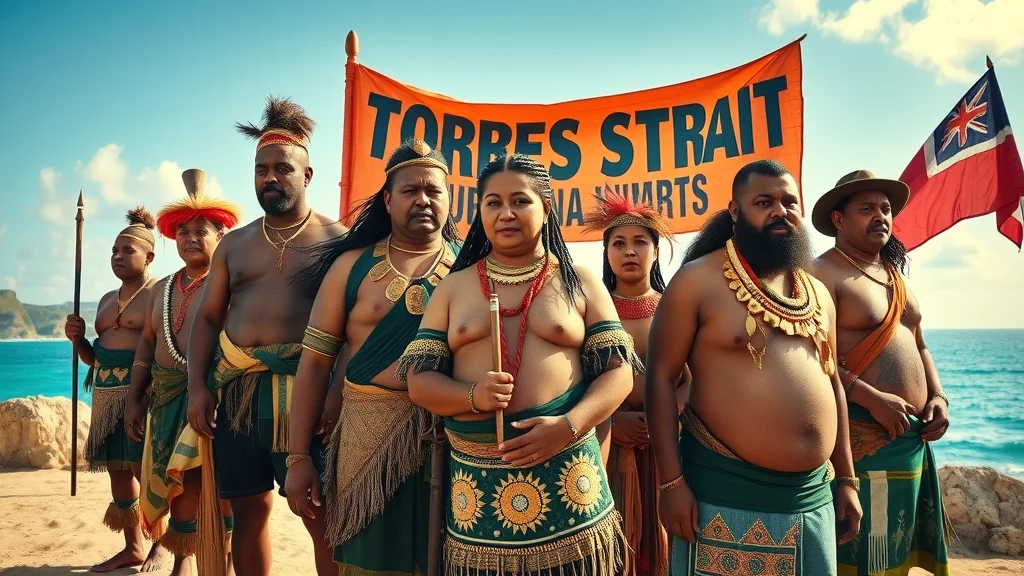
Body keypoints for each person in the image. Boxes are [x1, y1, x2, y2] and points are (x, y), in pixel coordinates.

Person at [399, 153, 634, 575]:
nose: (505, 213)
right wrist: (473, 395)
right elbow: (420, 383)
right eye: (492, 202)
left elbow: (619, 373)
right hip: (479, 494)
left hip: (570, 479)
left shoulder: (579, 282)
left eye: (520, 201)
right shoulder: (453, 288)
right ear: (480, 212)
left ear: (546, 208)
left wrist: (568, 426)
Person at [645, 159, 863, 576]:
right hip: (725, 495)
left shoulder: (817, 291)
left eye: (789, 201)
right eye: (764, 202)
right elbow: (660, 379)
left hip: (813, 499)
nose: (780, 211)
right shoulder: (696, 281)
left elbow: (832, 381)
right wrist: (670, 483)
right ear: (734, 210)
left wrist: (847, 481)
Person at [184, 96, 346, 576]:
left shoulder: (338, 240)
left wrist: (336, 393)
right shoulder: (235, 244)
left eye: (282, 169)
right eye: (261, 170)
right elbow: (207, 320)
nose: (269, 178)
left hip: (307, 395)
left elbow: (356, 329)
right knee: (249, 512)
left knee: (320, 514)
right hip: (235, 395)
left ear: (307, 175)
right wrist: (198, 386)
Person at [285, 138, 460, 575]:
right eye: (409, 190)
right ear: (387, 199)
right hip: (366, 439)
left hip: (453, 437)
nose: (423, 199)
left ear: (450, 199)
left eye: (433, 190)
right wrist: (297, 457)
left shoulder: (470, 270)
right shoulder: (349, 267)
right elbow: (315, 364)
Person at [810, 170, 951, 576]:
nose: (881, 217)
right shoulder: (822, 274)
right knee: (862, 558)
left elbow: (920, 345)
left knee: (898, 558)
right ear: (838, 219)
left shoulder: (895, 275)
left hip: (910, 441)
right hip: (863, 439)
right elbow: (815, 358)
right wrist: (872, 398)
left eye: (886, 209)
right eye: (867, 209)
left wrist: (938, 397)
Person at [123, 169, 242, 576]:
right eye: (184, 231)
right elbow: (146, 346)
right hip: (167, 397)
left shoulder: (232, 285)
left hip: (219, 398)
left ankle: (225, 560)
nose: (191, 238)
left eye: (201, 231)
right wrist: (135, 398)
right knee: (181, 485)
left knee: (224, 483)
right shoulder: (162, 288)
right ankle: (182, 559)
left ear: (220, 236)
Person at [583, 188, 688, 576]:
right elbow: (577, 379)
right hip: (608, 446)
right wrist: (612, 421)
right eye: (619, 243)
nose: (630, 251)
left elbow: (695, 380)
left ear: (656, 251)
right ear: (607, 253)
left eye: (640, 242)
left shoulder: (676, 305)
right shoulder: (592, 308)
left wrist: (665, 416)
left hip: (669, 450)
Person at [64, 208, 162, 572]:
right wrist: (78, 339)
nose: (117, 257)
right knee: (118, 471)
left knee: (145, 470)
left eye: (127, 251)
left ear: (149, 256)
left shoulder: (158, 293)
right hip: (105, 396)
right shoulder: (106, 299)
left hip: (142, 395)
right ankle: (133, 547)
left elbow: (165, 349)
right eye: (113, 251)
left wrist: (150, 391)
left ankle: (160, 545)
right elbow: (94, 359)